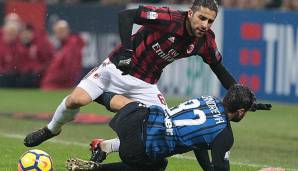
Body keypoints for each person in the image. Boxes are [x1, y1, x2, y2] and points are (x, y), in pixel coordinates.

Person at [24, 0, 270, 150]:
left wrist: (242, 97)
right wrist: (128, 50)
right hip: (116, 68)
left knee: (164, 130)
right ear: (190, 14)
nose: (205, 24)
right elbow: (126, 16)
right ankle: (52, 129)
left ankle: (106, 146)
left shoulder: (205, 42)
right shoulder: (168, 18)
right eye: (202, 18)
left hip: (147, 84)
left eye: (210, 21)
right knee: (75, 100)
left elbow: (219, 68)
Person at [65, 84, 257, 171]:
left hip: (133, 117)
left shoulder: (210, 99)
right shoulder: (224, 135)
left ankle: (93, 90)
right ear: (240, 111)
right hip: (138, 145)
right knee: (157, 166)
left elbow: (198, 143)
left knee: (134, 107)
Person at [40, 20, 84, 90]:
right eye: (57, 32)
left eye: (62, 31)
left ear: (68, 30)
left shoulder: (72, 45)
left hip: (59, 86)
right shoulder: (64, 46)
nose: (59, 34)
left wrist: (54, 79)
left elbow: (70, 70)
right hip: (54, 84)